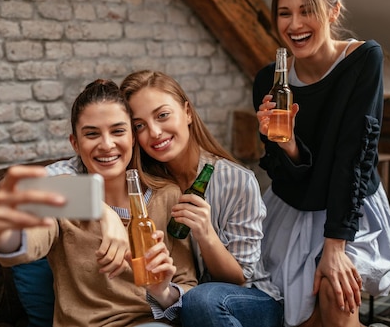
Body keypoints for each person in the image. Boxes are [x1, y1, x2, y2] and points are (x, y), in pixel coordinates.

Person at [0, 79, 198, 327]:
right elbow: (24, 239)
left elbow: (188, 285)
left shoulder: (167, 195)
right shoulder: (61, 202)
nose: (106, 144)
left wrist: (162, 291)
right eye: (92, 134)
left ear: (133, 138)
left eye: (118, 131)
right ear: (75, 144)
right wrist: (101, 211)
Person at [253, 0, 390, 327]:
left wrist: (334, 247)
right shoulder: (269, 80)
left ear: (333, 11)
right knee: (301, 319)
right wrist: (285, 146)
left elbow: (355, 158)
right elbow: (286, 176)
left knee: (335, 290)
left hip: (348, 207)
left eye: (306, 10)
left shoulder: (364, 60)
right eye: (284, 13)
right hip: (294, 207)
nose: (295, 24)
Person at [120, 70, 283, 327]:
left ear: (187, 112)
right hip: (185, 302)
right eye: (139, 125)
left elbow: (241, 277)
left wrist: (206, 234)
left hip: (250, 301)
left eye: (163, 115)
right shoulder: (142, 185)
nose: (154, 132)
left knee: (200, 300)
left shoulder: (237, 181)